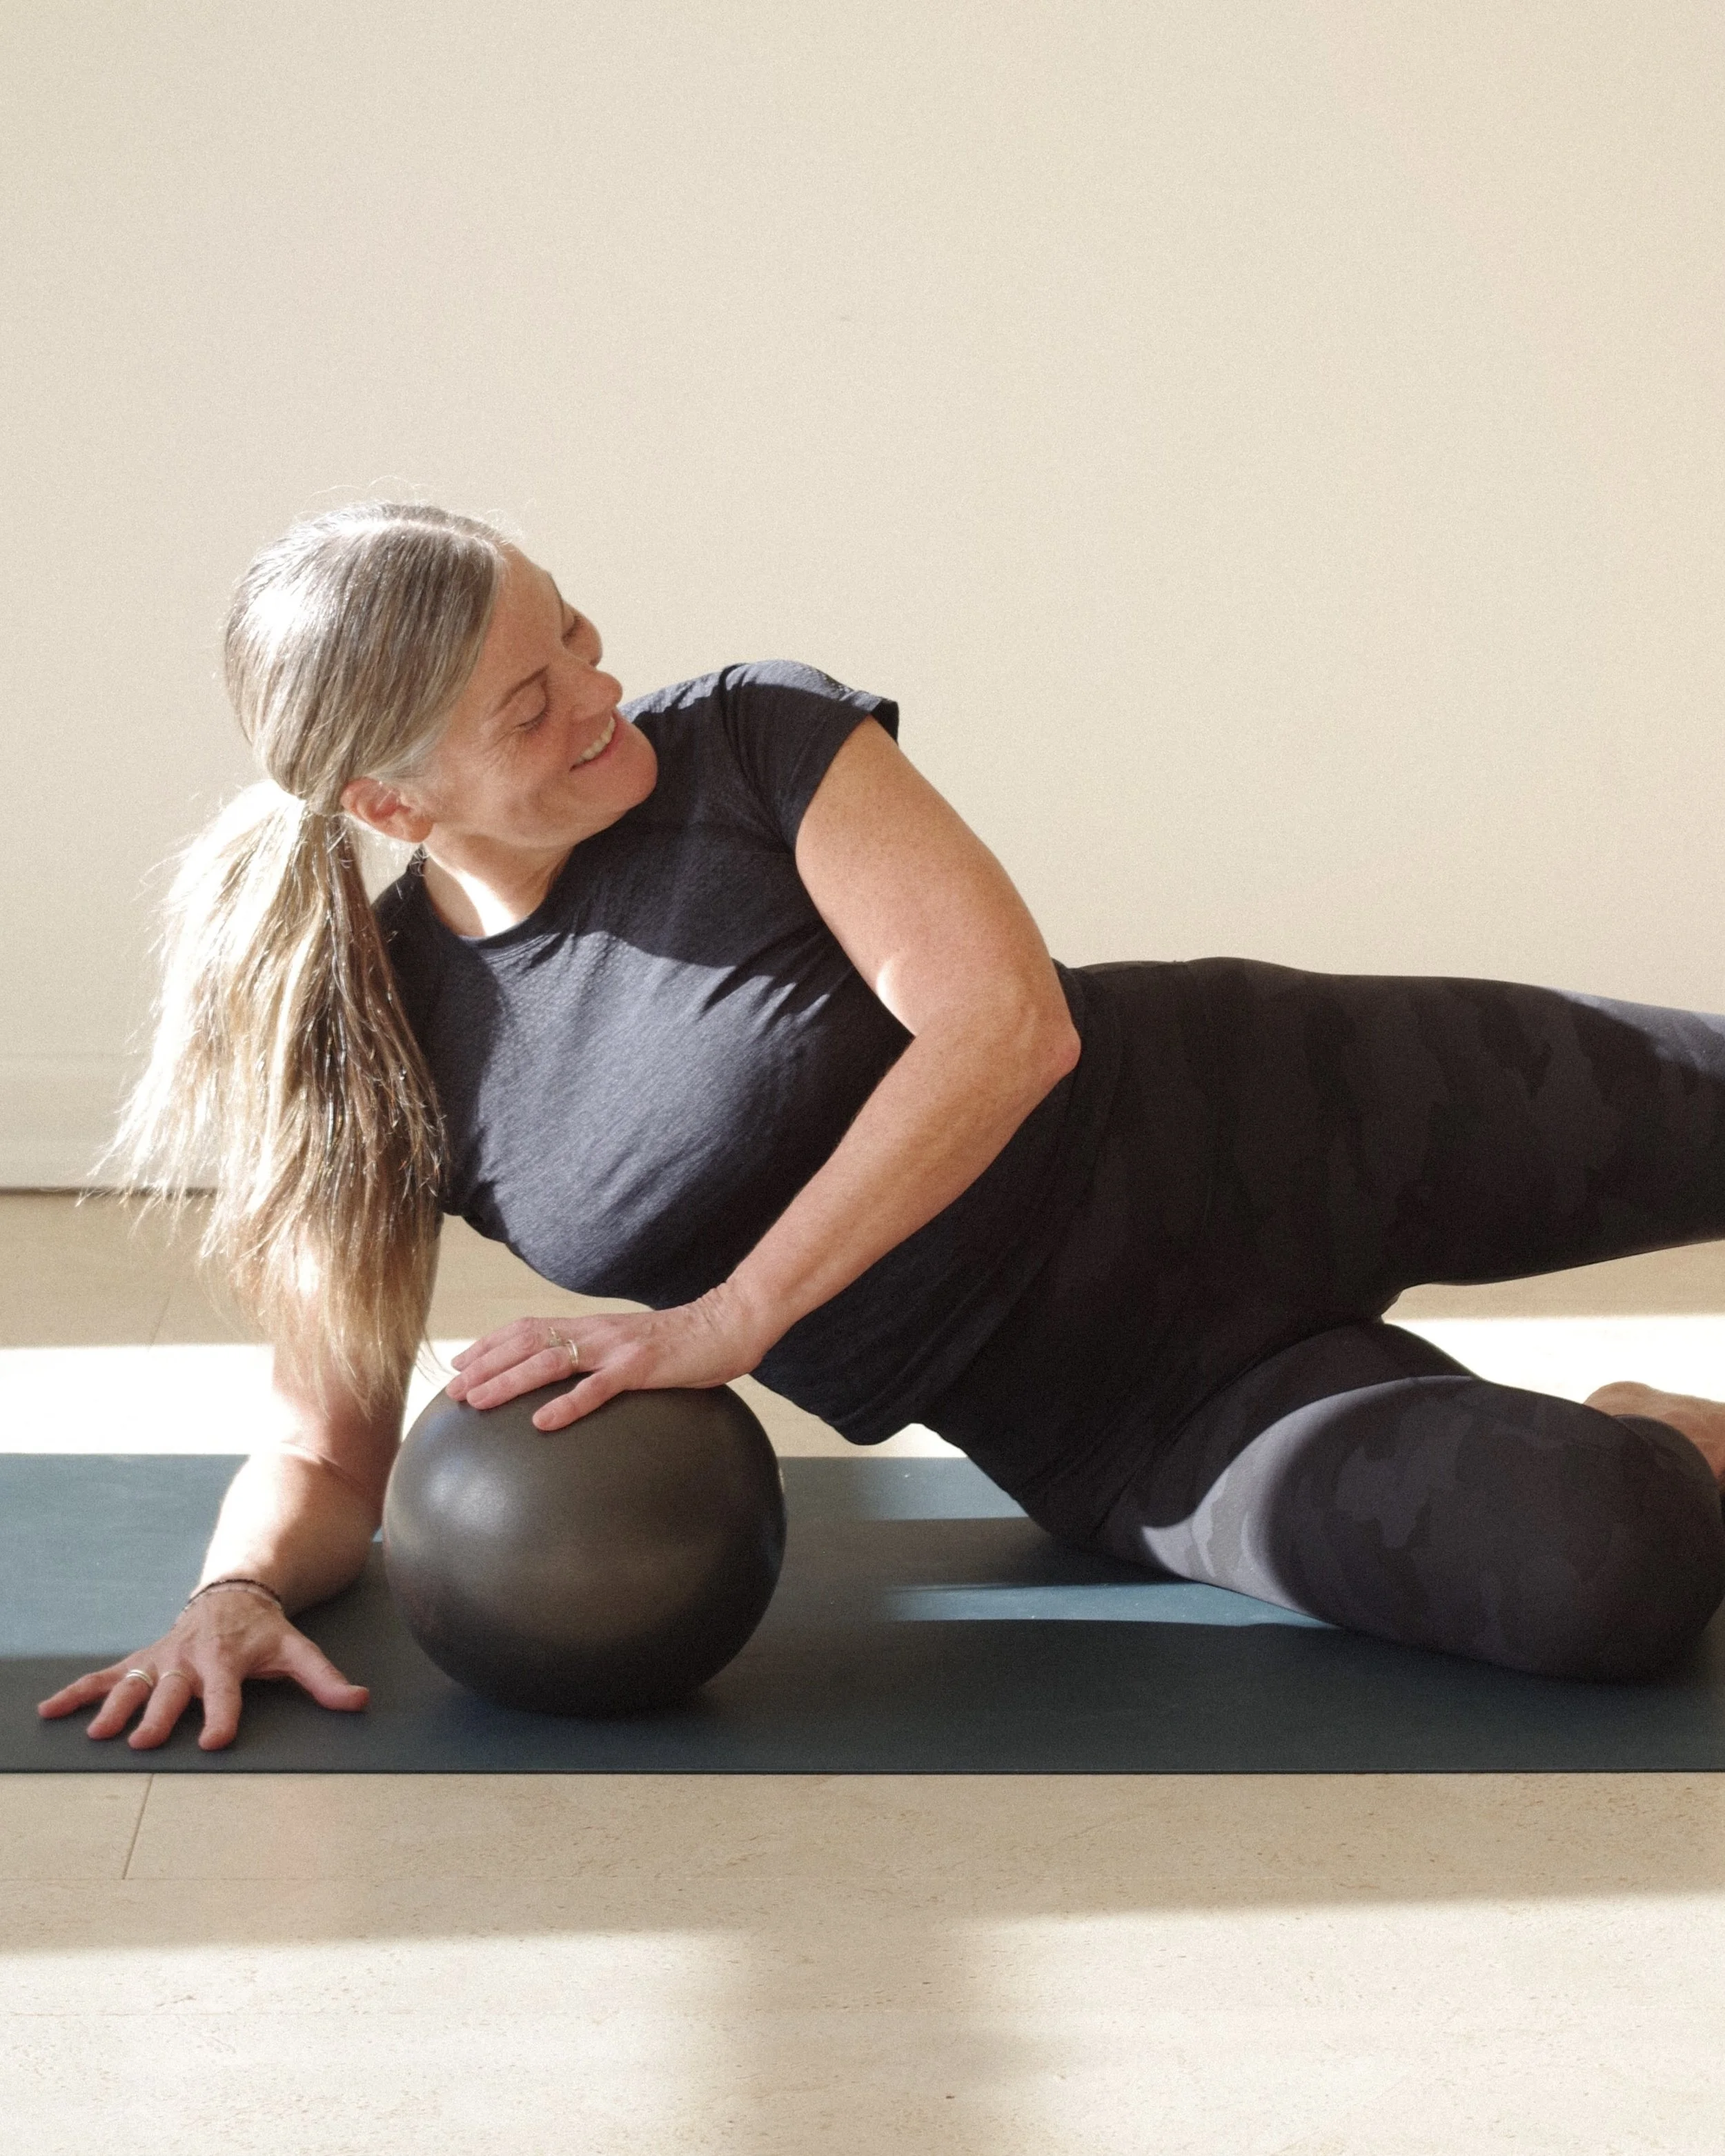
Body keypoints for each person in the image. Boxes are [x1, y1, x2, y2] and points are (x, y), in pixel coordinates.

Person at [38, 502, 1725, 1754]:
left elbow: (1005, 1023)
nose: (595, 685)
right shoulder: (383, 1049)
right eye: (525, 702)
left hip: (1277, 1110)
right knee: (1603, 1570)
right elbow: (330, 1445)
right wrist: (234, 1594)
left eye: (568, 630)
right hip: (1140, 1417)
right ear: (393, 804)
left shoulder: (756, 737)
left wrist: (730, 1318)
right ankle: (1655, 1426)